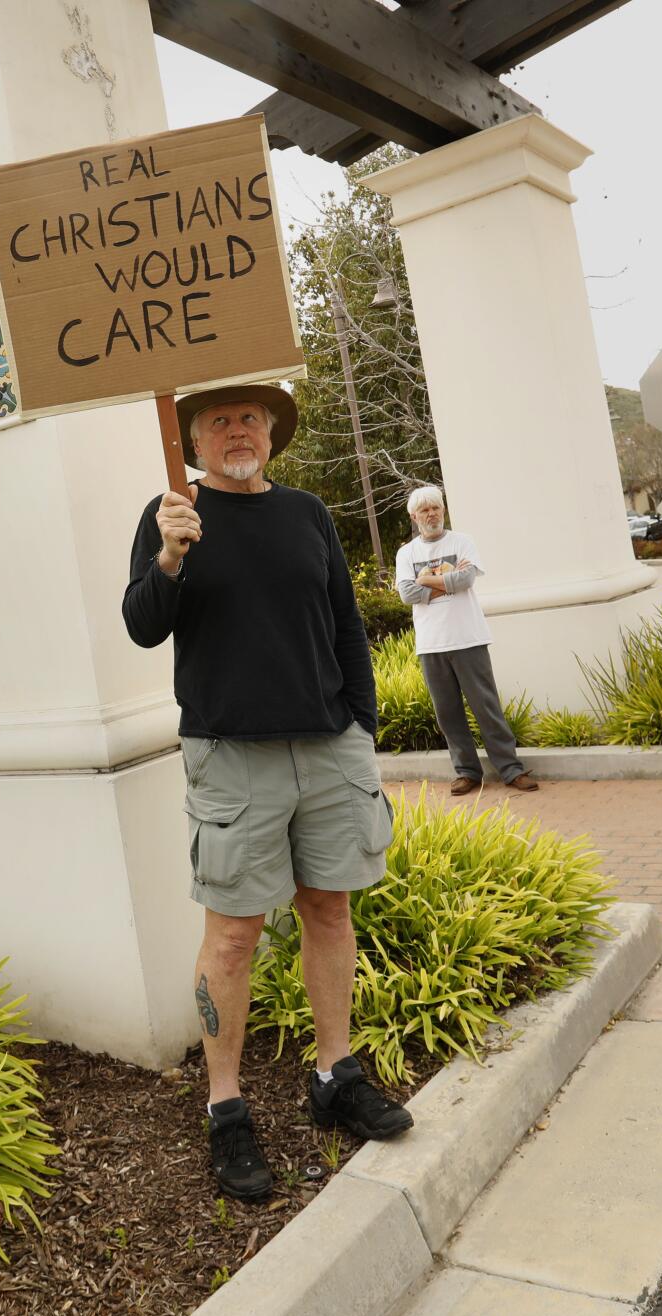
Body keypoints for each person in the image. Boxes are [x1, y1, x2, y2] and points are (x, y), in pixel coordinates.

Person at [122, 384, 414, 1203]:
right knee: (233, 938)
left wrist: (362, 722)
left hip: (328, 747)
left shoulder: (309, 513)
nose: (238, 430)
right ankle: (225, 1106)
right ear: (193, 440)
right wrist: (170, 557)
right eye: (219, 421)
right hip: (231, 759)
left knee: (330, 909)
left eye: (251, 418)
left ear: (272, 434)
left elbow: (345, 621)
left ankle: (334, 1073)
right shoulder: (170, 514)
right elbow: (143, 624)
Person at [394, 485, 539, 797]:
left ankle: (511, 769)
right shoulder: (407, 553)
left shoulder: (463, 541)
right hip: (432, 644)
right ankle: (467, 772)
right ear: (414, 515)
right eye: (424, 510)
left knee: (486, 706)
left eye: (436, 507)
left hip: (468, 637)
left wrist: (425, 581)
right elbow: (407, 594)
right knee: (447, 712)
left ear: (442, 510)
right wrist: (447, 582)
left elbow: (467, 579)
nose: (431, 514)